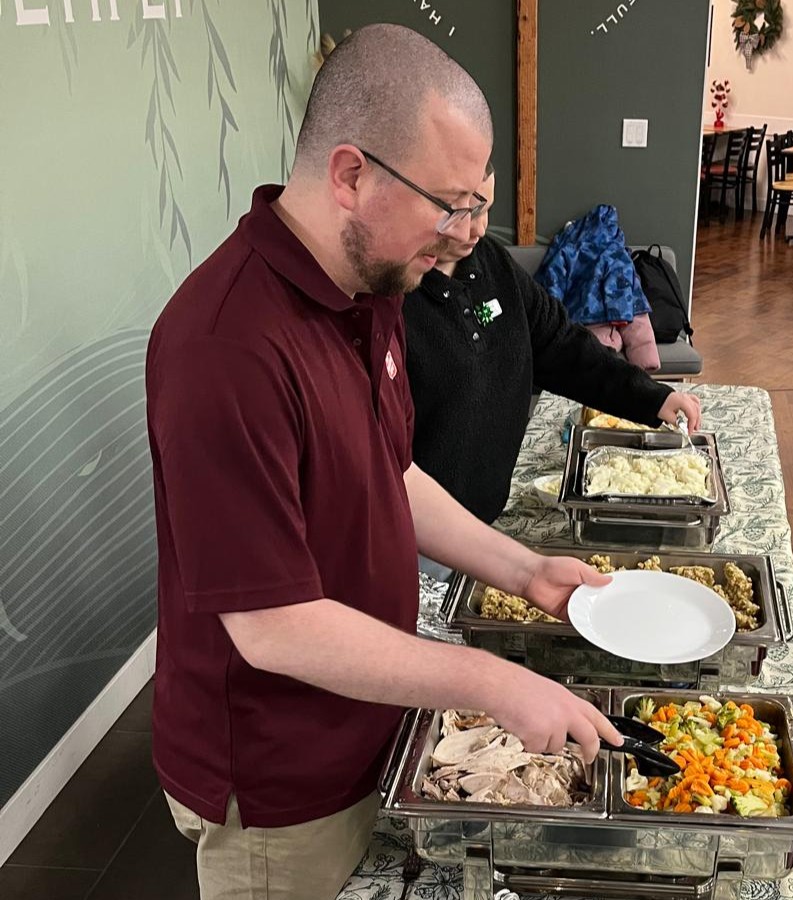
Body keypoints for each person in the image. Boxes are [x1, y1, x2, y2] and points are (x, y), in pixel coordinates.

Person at [145, 25, 622, 900]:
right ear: (351, 174)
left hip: (365, 717)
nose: (468, 237)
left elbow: (391, 474)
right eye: (451, 204)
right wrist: (491, 682)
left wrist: (526, 571)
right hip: (278, 774)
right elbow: (274, 626)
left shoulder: (372, 287)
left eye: (478, 205)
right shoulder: (225, 347)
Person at [404, 163, 702, 527]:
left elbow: (562, 344)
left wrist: (652, 397)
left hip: (490, 519)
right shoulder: (395, 293)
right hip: (426, 531)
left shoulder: (493, 261)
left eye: (485, 209)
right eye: (466, 211)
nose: (479, 228)